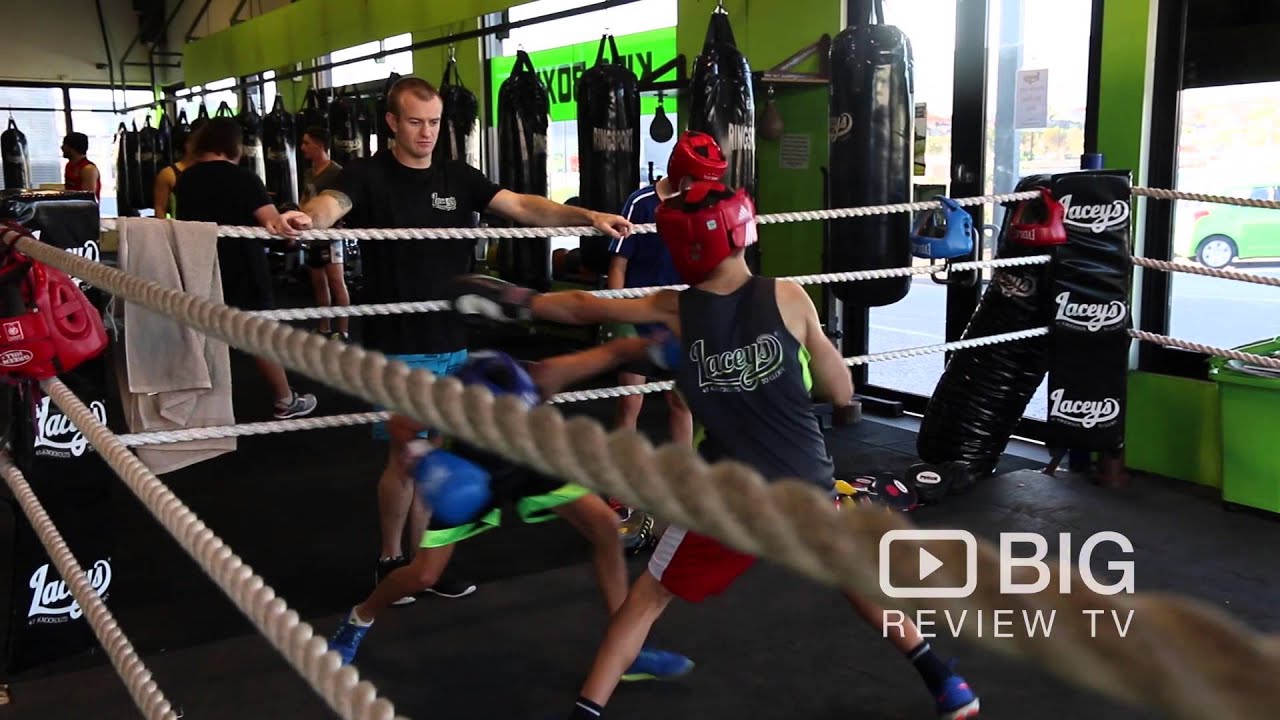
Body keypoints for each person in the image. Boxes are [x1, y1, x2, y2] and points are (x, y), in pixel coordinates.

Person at [446, 181, 982, 720]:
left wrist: (522, 301)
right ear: (743, 233)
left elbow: (588, 306)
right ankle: (946, 683)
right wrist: (832, 395)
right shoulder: (789, 296)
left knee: (648, 598)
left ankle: (587, 710)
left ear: (683, 247)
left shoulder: (676, 308)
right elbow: (840, 388)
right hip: (807, 486)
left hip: (730, 500)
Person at [291, 75, 633, 604]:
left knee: (440, 454)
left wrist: (586, 215)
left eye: (433, 122)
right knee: (406, 458)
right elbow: (332, 203)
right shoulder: (368, 175)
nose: (426, 133)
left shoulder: (458, 175)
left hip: (453, 339)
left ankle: (422, 563)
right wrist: (305, 220)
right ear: (392, 123)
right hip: (398, 341)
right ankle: (389, 560)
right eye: (415, 122)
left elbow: (522, 206)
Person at [326, 345, 692, 684]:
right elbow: (401, 426)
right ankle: (359, 618)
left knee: (606, 527)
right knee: (424, 574)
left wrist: (655, 338)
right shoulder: (443, 398)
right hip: (474, 473)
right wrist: (422, 457)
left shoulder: (541, 378)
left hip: (529, 460)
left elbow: (611, 350)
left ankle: (624, 651)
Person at [603, 132, 720, 530]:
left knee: (681, 404)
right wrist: (617, 311)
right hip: (637, 314)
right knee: (630, 404)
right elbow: (618, 265)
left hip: (680, 317)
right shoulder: (640, 203)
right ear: (681, 171)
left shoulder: (700, 205)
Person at [173, 116, 319, 421]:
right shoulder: (243, 178)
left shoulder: (185, 178)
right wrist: (293, 223)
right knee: (258, 335)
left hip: (201, 264)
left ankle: (195, 407)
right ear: (234, 145)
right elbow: (272, 221)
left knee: (203, 332)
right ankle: (285, 399)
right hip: (242, 265)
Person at [298, 126, 350, 341]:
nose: (302, 148)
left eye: (306, 143)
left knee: (337, 283)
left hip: (331, 237)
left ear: (319, 145)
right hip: (312, 237)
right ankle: (324, 328)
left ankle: (343, 331)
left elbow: (344, 203)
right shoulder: (309, 172)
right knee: (319, 283)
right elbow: (305, 199)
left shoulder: (336, 172)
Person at [153, 132, 195, 218]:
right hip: (179, 227)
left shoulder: (207, 171)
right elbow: (160, 208)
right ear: (188, 146)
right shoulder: (168, 174)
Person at [61, 133, 101, 202]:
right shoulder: (69, 165)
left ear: (72, 147)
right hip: (70, 208)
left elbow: (87, 199)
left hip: (85, 211)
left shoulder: (88, 169)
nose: (62, 147)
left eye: (64, 145)